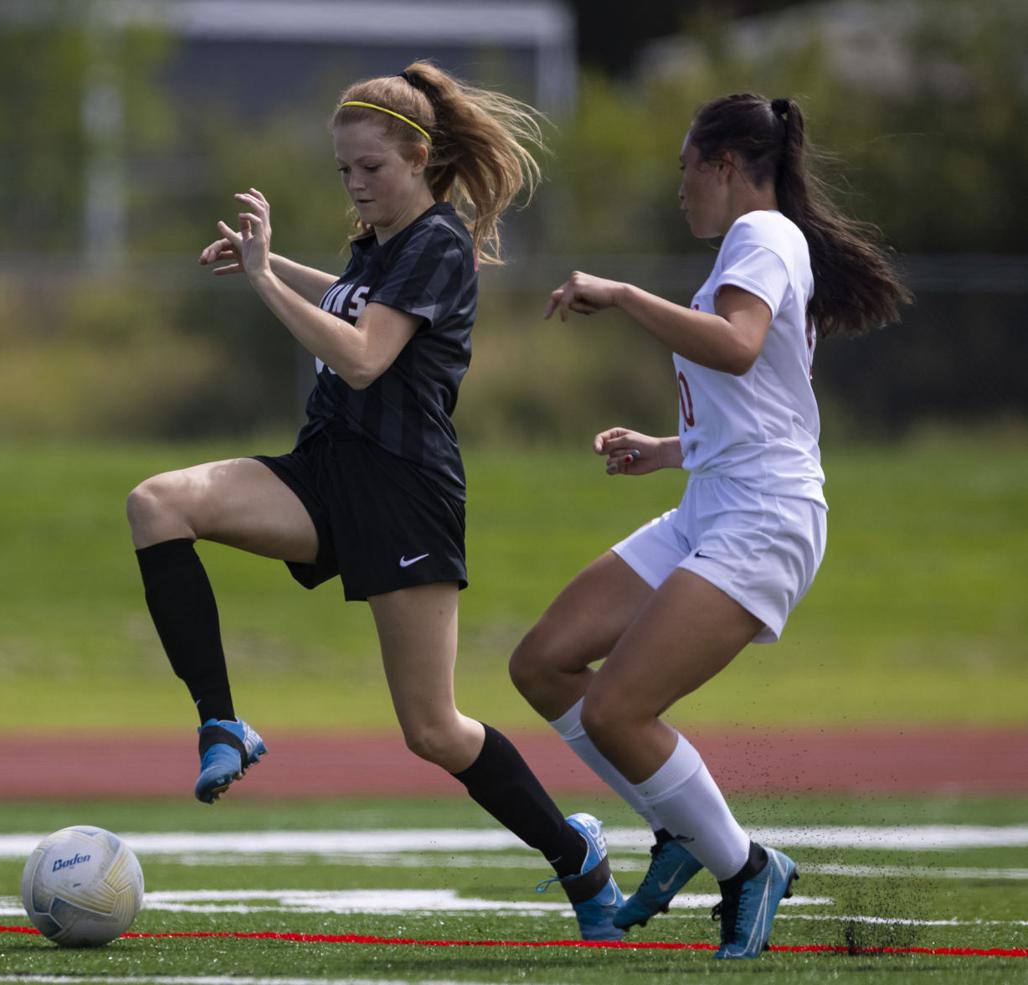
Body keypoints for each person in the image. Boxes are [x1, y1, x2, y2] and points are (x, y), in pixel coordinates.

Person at [127, 62, 627, 940]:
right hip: (325, 473)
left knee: (433, 730)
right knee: (158, 503)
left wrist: (262, 282)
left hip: (403, 494)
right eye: (345, 171)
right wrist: (269, 257)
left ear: (420, 158)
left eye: (372, 169)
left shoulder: (438, 240)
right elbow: (355, 300)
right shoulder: (378, 244)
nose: (356, 185)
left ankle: (577, 858)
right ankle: (222, 721)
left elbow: (363, 355)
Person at [509, 93, 912, 959]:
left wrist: (621, 293)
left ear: (725, 164)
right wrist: (666, 448)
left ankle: (743, 863)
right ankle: (686, 831)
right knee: (542, 662)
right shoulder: (753, 241)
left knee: (619, 708)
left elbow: (735, 343)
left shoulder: (762, 236)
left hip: (762, 519)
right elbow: (755, 393)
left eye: (685, 166)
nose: (679, 185)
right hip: (714, 504)